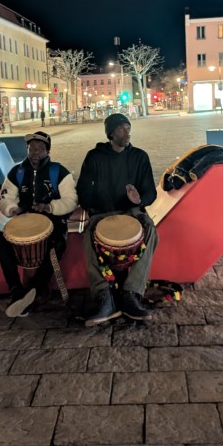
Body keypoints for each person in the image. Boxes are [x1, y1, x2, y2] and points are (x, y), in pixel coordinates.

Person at [76, 113, 158, 326]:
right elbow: (83, 190)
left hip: (131, 212)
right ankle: (103, 295)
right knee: (88, 236)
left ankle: (132, 292)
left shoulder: (140, 156)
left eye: (128, 128)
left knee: (150, 228)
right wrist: (97, 205)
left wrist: (139, 199)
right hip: (102, 212)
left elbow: (150, 192)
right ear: (111, 133)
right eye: (122, 128)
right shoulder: (95, 156)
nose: (127, 132)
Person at [0, 131, 77, 316]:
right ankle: (16, 289)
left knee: (58, 243)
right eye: (32, 147)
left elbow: (71, 200)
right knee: (1, 240)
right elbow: (4, 198)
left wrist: (49, 207)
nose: (35, 151)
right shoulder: (17, 172)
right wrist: (12, 209)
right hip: (24, 223)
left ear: (48, 151)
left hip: (53, 222)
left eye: (40, 148)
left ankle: (35, 289)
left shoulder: (58, 171)